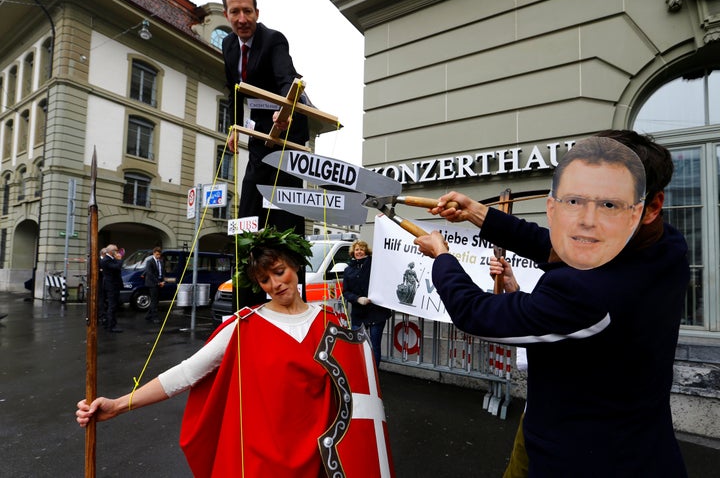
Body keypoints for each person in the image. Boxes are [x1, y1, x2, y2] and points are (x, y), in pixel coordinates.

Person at [415, 136, 689, 477]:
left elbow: (476, 315)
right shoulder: (668, 243)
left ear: (651, 206)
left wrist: (442, 257)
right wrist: (478, 213)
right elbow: (552, 245)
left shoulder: (587, 291)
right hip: (639, 446)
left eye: (608, 205)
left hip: (585, 460)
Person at [76, 228, 394, 477]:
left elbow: (357, 402)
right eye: (265, 279)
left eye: (279, 272)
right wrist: (120, 404)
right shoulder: (244, 325)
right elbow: (187, 373)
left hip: (319, 461)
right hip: (260, 461)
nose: (275, 284)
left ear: (294, 266)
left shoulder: (331, 325)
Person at [221, 0, 308, 310]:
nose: (242, 18)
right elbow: (233, 89)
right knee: (250, 206)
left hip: (288, 124)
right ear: (227, 15)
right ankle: (248, 297)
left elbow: (288, 78)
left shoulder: (274, 39)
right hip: (258, 128)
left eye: (247, 11)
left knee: (285, 206)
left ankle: (292, 288)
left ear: (257, 13)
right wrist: (232, 126)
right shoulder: (229, 45)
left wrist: (285, 109)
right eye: (235, 12)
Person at [342, 240, 392, 367]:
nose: (359, 252)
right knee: (358, 346)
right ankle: (362, 375)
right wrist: (357, 299)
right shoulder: (348, 270)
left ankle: (374, 377)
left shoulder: (374, 264)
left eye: (362, 249)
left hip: (376, 312)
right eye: (357, 249)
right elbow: (346, 292)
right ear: (353, 252)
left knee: (375, 346)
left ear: (366, 251)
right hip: (358, 314)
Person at [100, 244, 124, 333]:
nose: (117, 252)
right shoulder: (106, 260)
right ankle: (111, 326)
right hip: (111, 286)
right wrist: (119, 259)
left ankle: (110, 323)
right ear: (111, 251)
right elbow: (117, 267)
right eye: (116, 250)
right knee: (112, 306)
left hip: (114, 285)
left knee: (113, 305)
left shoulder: (111, 259)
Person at [143, 247, 164, 324]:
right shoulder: (150, 262)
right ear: (154, 253)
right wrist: (158, 282)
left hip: (159, 282)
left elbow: (162, 272)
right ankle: (154, 317)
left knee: (156, 300)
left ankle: (148, 315)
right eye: (157, 254)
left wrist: (163, 281)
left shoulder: (161, 261)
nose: (158, 256)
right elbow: (149, 273)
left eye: (159, 254)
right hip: (152, 283)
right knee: (154, 300)